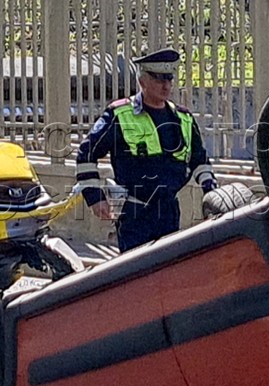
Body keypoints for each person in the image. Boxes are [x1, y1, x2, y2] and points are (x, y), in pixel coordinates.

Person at [74, 48, 218, 252]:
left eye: (169, 79)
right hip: (135, 211)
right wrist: (95, 198)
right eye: (159, 79)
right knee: (135, 274)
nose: (166, 85)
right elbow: (86, 154)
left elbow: (200, 161)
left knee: (167, 272)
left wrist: (211, 192)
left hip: (168, 210)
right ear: (143, 81)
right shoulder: (120, 114)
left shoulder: (183, 118)